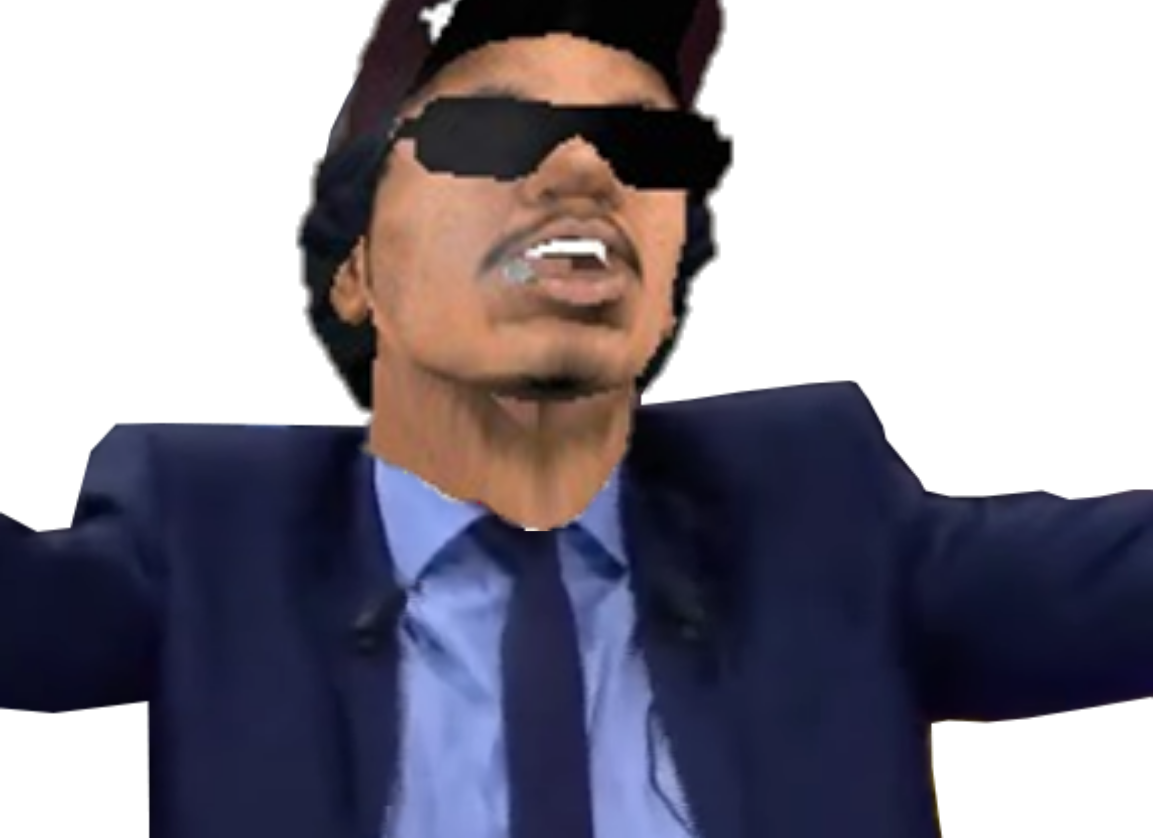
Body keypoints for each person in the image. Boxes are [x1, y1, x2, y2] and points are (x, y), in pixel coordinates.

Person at [1, 3, 1150, 838]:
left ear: (671, 280)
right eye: (486, 135)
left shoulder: (819, 510)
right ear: (354, 270)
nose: (583, 169)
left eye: (647, 147)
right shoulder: (207, 531)